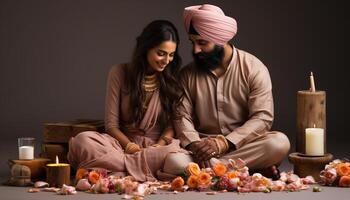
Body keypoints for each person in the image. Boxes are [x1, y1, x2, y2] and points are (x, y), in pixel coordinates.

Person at [173, 4, 290, 180]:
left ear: (220, 39)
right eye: (192, 42)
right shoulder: (187, 75)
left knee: (279, 143)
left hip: (241, 146)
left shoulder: (253, 68)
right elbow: (181, 117)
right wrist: (195, 144)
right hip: (200, 150)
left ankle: (210, 170)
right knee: (174, 160)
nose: (195, 50)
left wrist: (224, 143)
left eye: (202, 42)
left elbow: (262, 117)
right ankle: (247, 169)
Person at [67, 20, 190, 182]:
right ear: (146, 48)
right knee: (83, 141)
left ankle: (118, 171)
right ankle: (138, 169)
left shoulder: (171, 79)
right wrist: (130, 147)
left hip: (156, 148)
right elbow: (111, 125)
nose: (167, 60)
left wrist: (160, 144)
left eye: (171, 54)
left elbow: (171, 125)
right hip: (121, 145)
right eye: (161, 53)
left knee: (177, 161)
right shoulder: (119, 73)